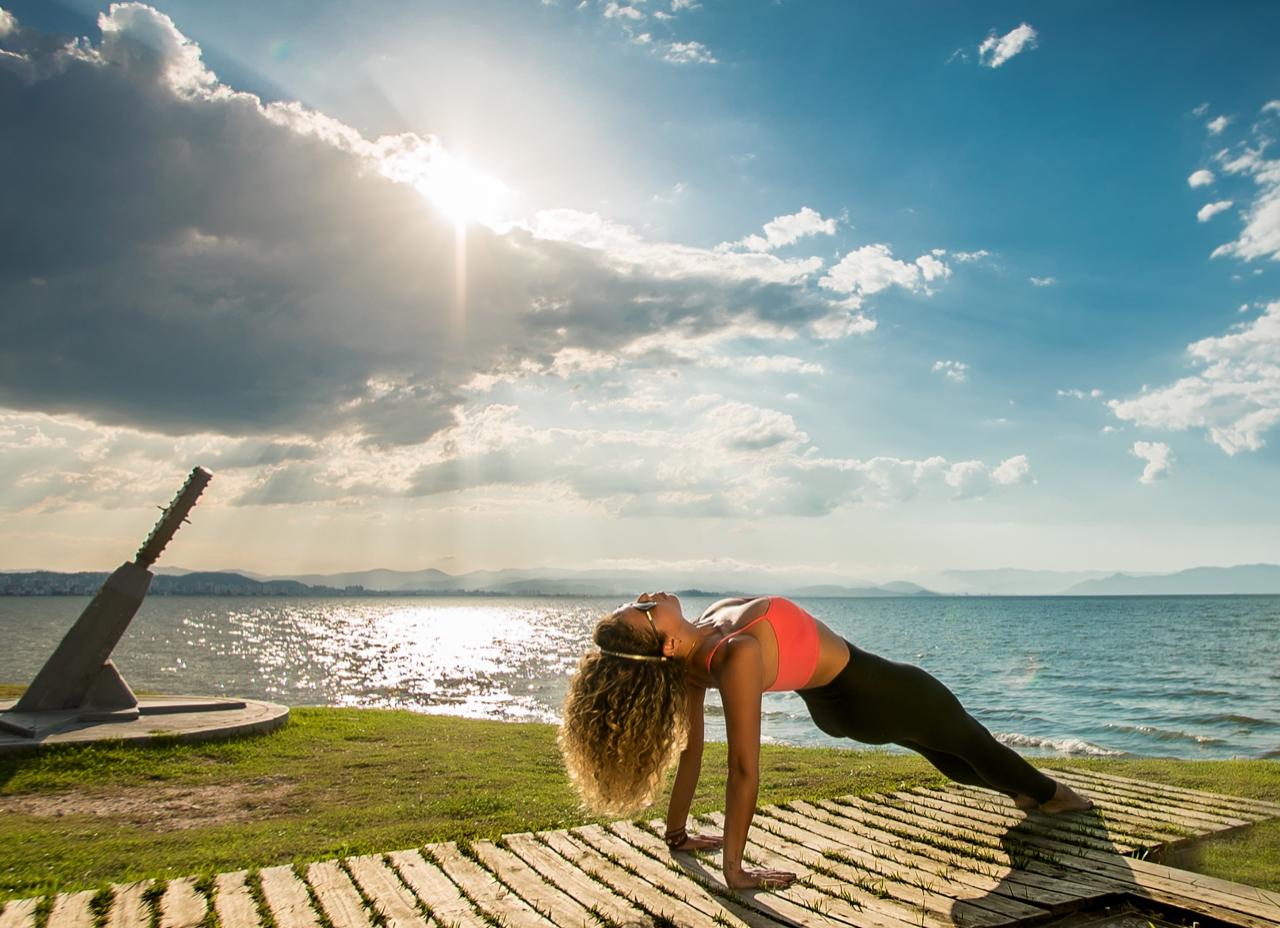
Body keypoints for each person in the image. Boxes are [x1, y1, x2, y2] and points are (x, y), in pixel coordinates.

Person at [558, 591, 1093, 890]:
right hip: (878, 692)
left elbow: (691, 750)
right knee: (973, 744)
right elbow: (741, 768)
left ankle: (1024, 796)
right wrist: (734, 869)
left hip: (846, 707)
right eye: (646, 611)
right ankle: (1054, 797)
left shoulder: (698, 650)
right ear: (669, 643)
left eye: (639, 600)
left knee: (948, 753)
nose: (650, 596)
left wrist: (678, 833)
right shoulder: (731, 655)